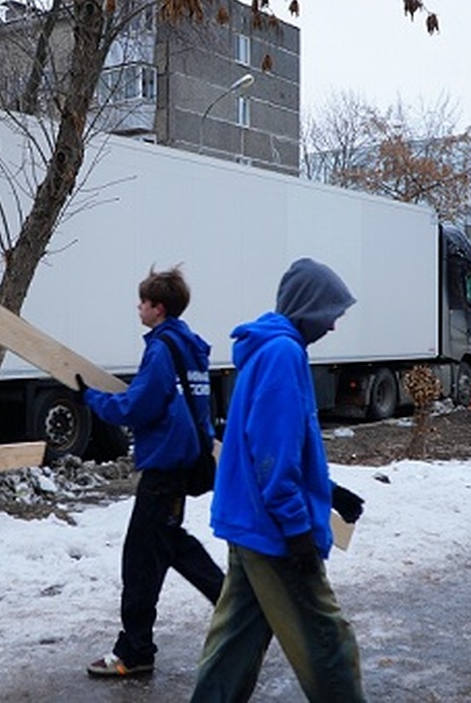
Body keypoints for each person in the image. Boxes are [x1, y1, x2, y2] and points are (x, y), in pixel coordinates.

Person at [190, 258, 366, 703]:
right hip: (273, 533)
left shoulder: (269, 351)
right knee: (328, 643)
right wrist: (297, 528)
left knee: (234, 647)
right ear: (309, 307)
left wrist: (328, 493)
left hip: (249, 522)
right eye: (331, 313)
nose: (332, 325)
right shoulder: (283, 354)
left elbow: (271, 444)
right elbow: (271, 453)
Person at [75, 266, 225, 678]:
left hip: (164, 469)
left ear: (158, 308)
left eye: (143, 301)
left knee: (140, 559)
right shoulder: (189, 347)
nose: (138, 307)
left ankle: (135, 651)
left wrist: (90, 398)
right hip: (181, 465)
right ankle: (238, 604)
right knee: (170, 543)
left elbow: (137, 407)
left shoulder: (162, 349)